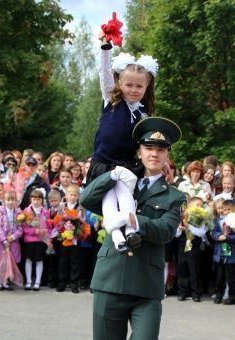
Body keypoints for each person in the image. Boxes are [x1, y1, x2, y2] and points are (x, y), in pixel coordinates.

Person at [81, 117, 185, 340]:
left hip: (146, 286)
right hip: (110, 278)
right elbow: (87, 199)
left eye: (161, 149)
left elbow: (166, 230)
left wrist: (134, 221)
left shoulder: (174, 195)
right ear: (139, 151)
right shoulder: (122, 181)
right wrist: (112, 174)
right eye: (149, 147)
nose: (154, 153)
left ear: (167, 156)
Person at [86, 33, 159, 256]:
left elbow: (148, 143)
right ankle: (118, 238)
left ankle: (130, 231)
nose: (134, 90)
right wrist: (105, 48)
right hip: (103, 162)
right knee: (108, 199)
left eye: (139, 86)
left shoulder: (144, 114)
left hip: (126, 164)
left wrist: (161, 162)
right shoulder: (112, 99)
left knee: (124, 194)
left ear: (146, 87)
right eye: (129, 85)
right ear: (119, 83)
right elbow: (103, 72)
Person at [20, 188, 52, 291]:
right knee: (28, 260)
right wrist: (35, 231)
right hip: (29, 240)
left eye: (38, 199)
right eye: (34, 199)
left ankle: (37, 281)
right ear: (30, 199)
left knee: (39, 260)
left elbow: (49, 226)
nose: (36, 201)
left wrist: (46, 234)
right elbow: (24, 228)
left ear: (42, 200)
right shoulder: (26, 211)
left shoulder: (45, 212)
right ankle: (29, 281)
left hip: (41, 241)